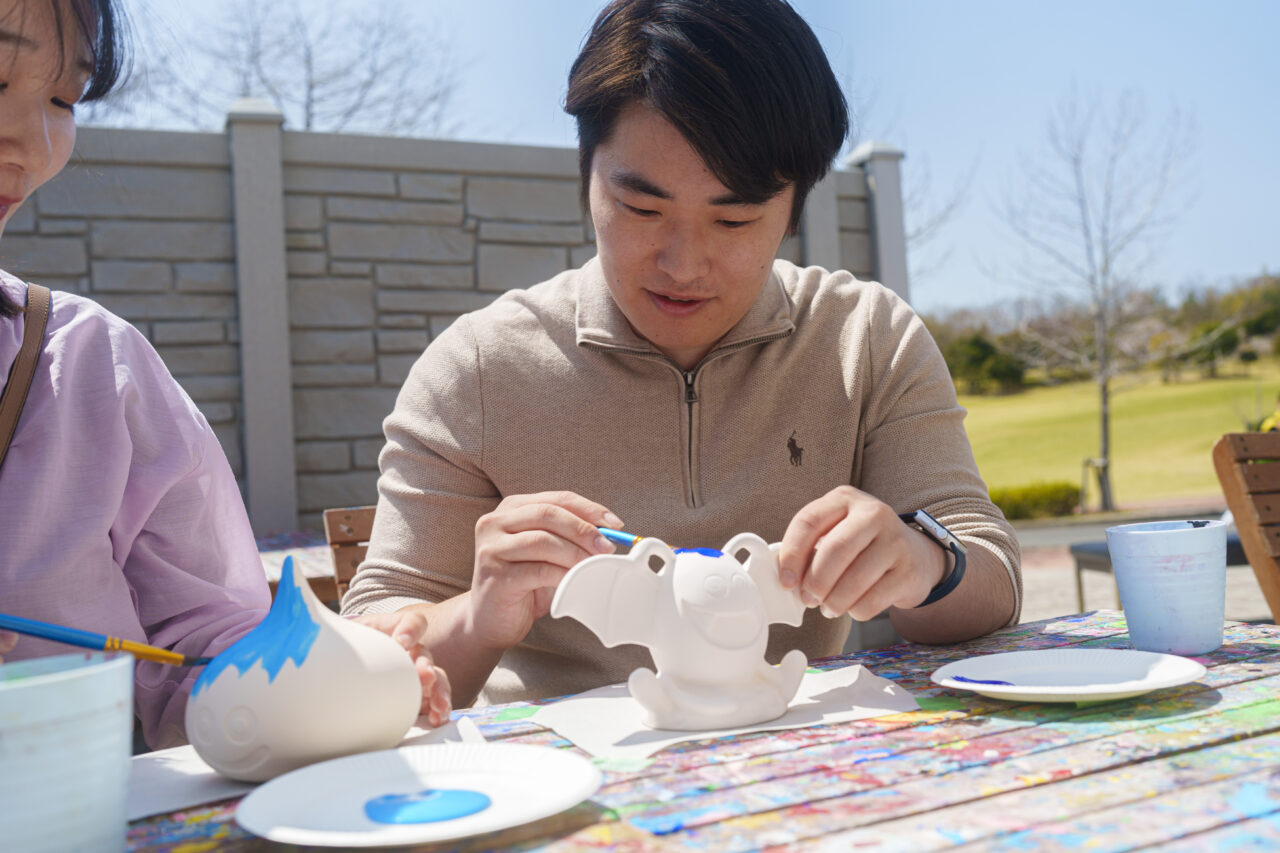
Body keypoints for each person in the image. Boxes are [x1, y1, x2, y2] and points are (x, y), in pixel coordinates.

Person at [342, 0, 1022, 709]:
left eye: (733, 220)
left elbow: (993, 580)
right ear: (586, 176)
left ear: (794, 210)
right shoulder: (477, 369)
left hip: (801, 761)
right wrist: (476, 618)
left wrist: (925, 565)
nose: (683, 264)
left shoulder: (866, 339)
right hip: (554, 770)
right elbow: (373, 643)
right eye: (643, 209)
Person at [0, 0, 451, 749]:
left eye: (63, 100)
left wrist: (314, 680)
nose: (35, 142)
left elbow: (197, 643)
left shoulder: (90, 364)